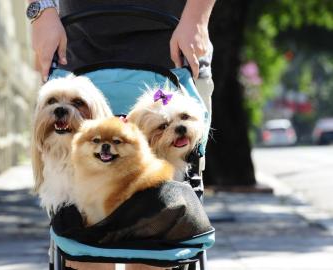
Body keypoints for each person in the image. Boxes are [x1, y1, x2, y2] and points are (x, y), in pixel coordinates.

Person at [28, 0, 215, 269]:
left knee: (155, 239)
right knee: (85, 249)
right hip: (77, 50)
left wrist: (196, 17)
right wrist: (42, 12)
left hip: (178, 49)